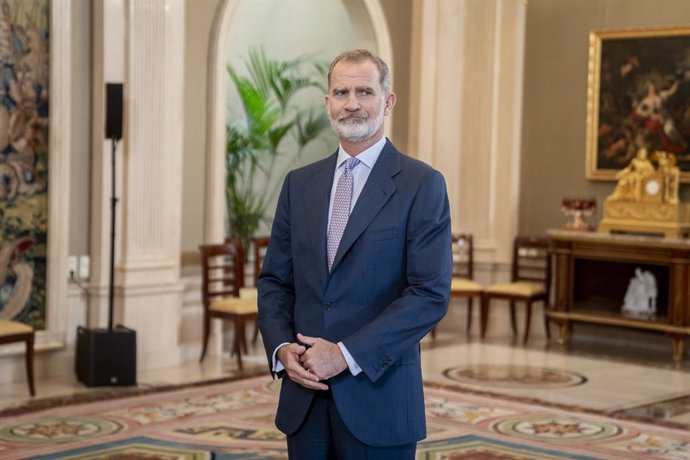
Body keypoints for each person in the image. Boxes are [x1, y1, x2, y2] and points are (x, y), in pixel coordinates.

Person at [257, 49, 452, 459]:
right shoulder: (299, 185)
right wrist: (280, 349)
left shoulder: (421, 184)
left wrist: (344, 354)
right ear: (328, 102)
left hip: (377, 397)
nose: (352, 103)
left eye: (365, 91)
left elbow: (429, 294)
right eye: (341, 92)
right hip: (305, 399)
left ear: (388, 101)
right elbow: (275, 281)